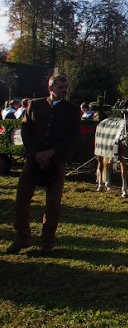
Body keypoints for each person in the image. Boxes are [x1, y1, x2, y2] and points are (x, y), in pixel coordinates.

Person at [6, 73, 81, 255]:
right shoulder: (35, 105)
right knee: (22, 199)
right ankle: (22, 237)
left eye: (65, 87)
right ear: (51, 88)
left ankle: (47, 242)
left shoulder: (72, 110)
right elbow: (26, 131)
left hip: (56, 161)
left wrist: (52, 152)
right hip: (33, 159)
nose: (64, 91)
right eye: (60, 87)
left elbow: (72, 137)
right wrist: (35, 153)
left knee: (53, 205)